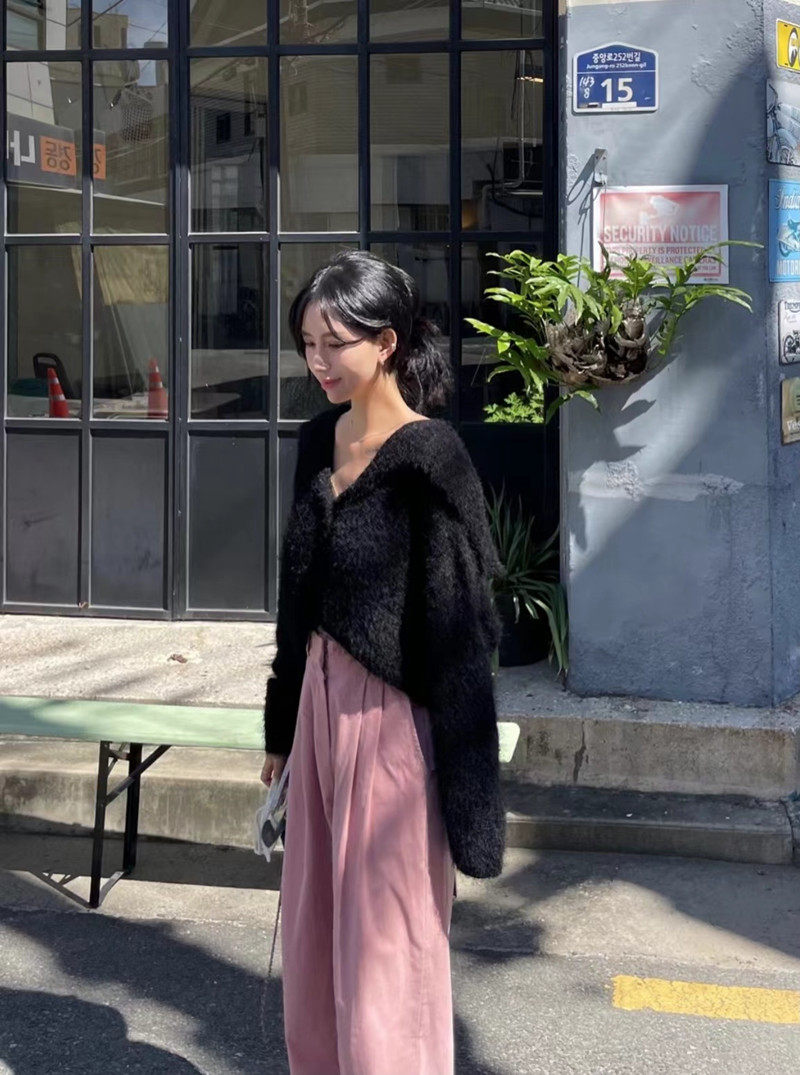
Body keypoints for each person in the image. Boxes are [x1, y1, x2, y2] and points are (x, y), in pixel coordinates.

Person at [261, 249, 506, 1075]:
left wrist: (473, 805)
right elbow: (296, 596)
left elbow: (463, 633)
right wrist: (281, 727)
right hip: (318, 710)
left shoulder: (432, 459)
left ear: (387, 342)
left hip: (393, 723)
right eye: (307, 343)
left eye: (334, 343)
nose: (317, 361)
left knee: (387, 947)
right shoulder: (316, 441)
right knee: (313, 935)